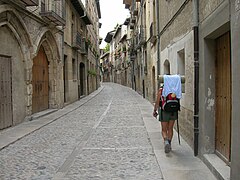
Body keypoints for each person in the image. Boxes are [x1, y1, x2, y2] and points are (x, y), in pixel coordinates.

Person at [153, 85, 179, 153]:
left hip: (164, 112)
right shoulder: (175, 90)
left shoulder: (161, 90)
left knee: (164, 130)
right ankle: (169, 143)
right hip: (173, 112)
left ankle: (166, 141)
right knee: (170, 128)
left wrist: (155, 110)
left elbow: (157, 102)